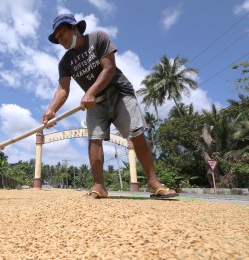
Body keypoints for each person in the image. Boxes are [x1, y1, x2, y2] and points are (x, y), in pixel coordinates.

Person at [42, 14, 178, 199]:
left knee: (136, 134)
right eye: (56, 38)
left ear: (74, 28)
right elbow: (63, 89)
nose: (60, 39)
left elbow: (109, 68)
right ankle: (99, 186)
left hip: (119, 93)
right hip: (95, 103)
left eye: (62, 33)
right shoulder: (65, 62)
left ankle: (153, 183)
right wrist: (51, 110)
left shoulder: (98, 38)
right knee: (94, 139)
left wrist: (89, 92)